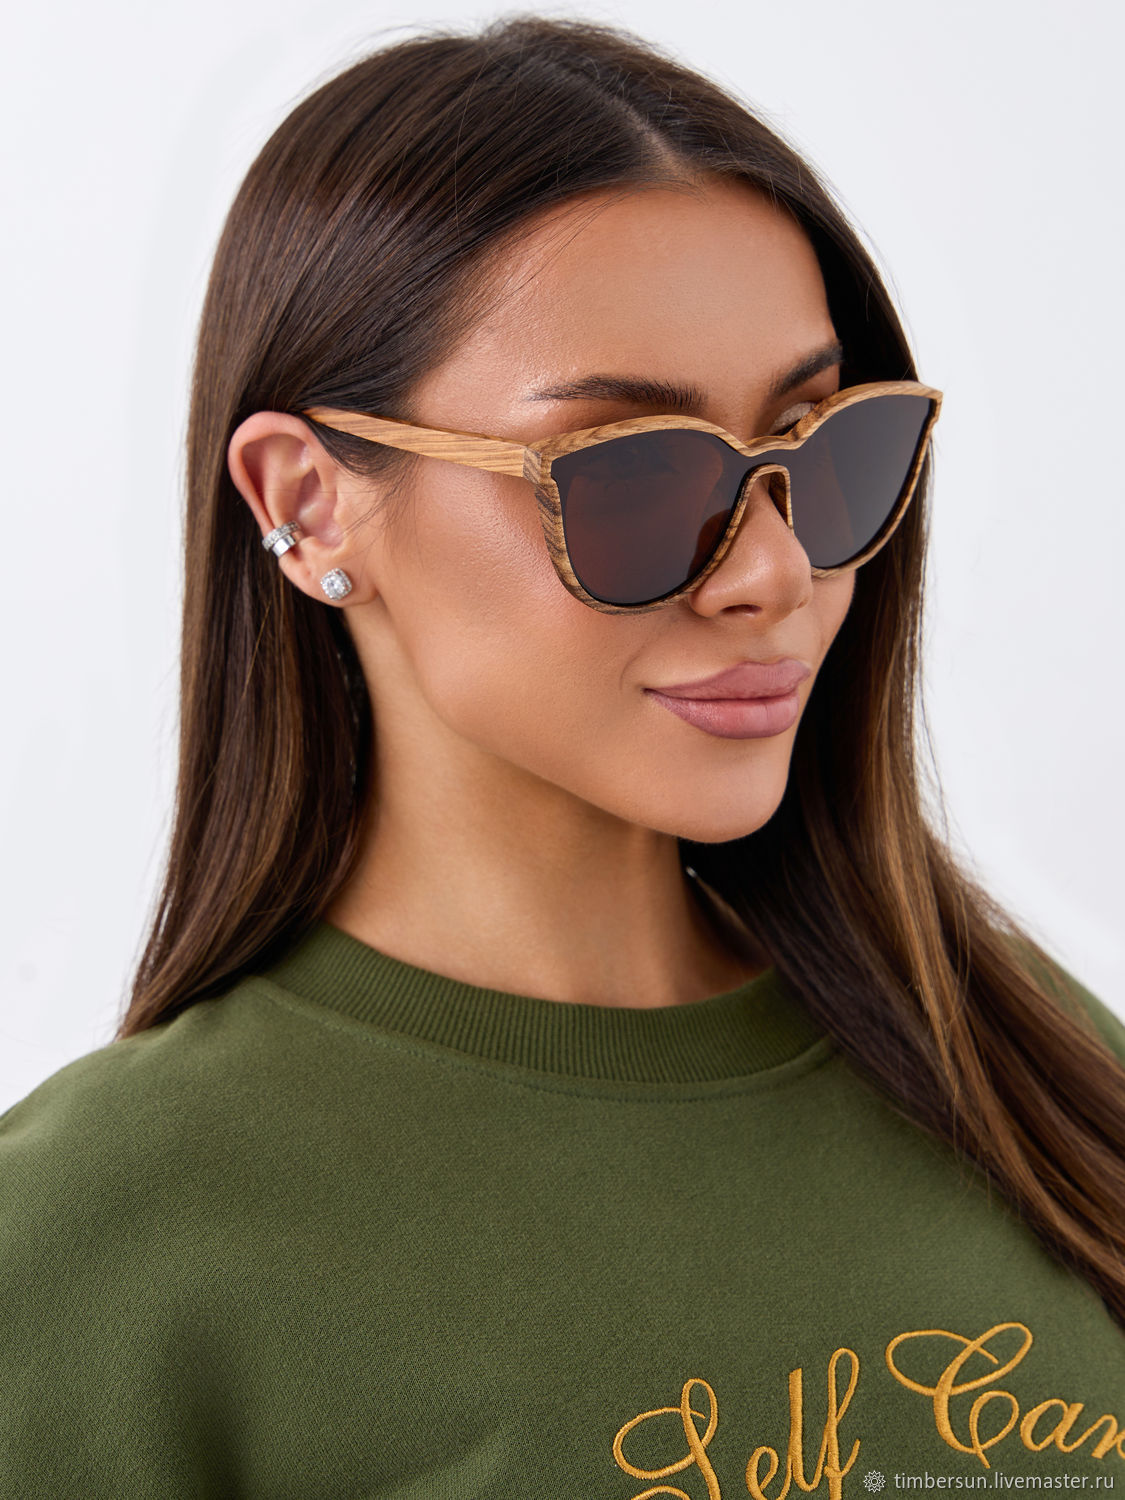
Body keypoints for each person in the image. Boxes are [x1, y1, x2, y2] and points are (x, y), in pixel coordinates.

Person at [2, 14, 1124, 1495]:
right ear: (309, 505)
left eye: (824, 450)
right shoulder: (92, 1250)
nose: (773, 573)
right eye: (637, 476)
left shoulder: (1025, 1062)